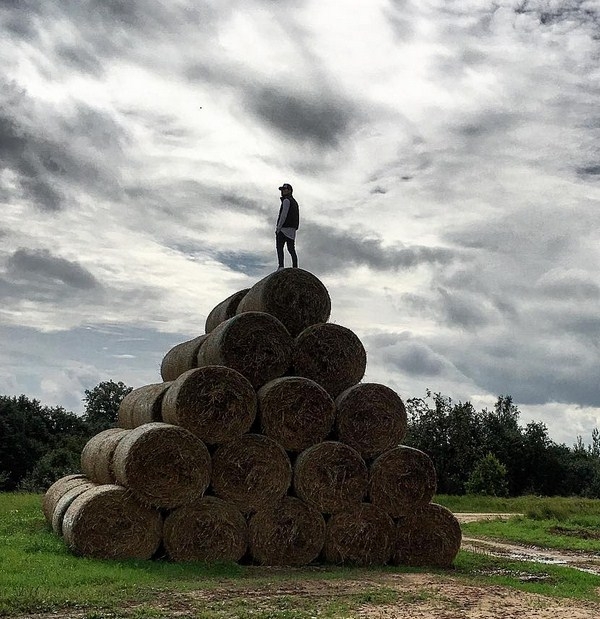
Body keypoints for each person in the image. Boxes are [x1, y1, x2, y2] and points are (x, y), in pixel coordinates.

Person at [275, 182, 299, 269]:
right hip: (292, 229)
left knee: (279, 247)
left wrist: (278, 227)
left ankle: (281, 266)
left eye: (285, 190)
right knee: (291, 249)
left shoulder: (286, 200)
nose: (283, 191)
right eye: (282, 190)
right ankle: (295, 267)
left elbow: (283, 215)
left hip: (284, 228)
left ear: (289, 191)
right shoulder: (295, 202)